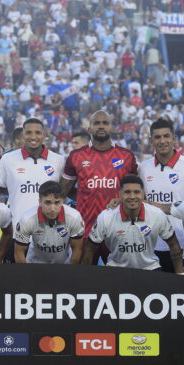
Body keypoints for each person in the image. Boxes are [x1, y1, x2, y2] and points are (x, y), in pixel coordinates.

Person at [60, 110, 138, 262]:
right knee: (84, 281)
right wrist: (84, 196)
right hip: (85, 230)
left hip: (118, 229)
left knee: (119, 280)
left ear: (112, 128)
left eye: (105, 123)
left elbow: (136, 192)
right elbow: (63, 190)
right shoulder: (76, 156)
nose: (101, 126)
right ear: (89, 129)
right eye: (96, 123)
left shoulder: (126, 156)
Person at [139, 118, 184, 273]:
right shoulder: (143, 168)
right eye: (157, 137)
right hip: (151, 246)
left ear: (174, 138)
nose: (162, 141)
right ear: (151, 140)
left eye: (166, 136)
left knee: (181, 294)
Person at [82, 175, 183, 272]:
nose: (132, 196)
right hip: (116, 269)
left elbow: (173, 244)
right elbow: (90, 248)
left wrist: (180, 274)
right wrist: (84, 276)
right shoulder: (105, 216)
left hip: (150, 269)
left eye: (136, 192)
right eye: (127, 192)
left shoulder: (157, 214)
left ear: (143, 193)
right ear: (120, 194)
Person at [0, 118, 65, 225]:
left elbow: (64, 190)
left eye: (37, 132)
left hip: (49, 230)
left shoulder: (59, 160)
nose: (33, 137)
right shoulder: (7, 159)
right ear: (23, 134)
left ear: (44, 134)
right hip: (18, 227)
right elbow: (0, 188)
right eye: (28, 132)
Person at [14, 181, 84, 264]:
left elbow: (77, 249)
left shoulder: (74, 217)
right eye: (48, 202)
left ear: (63, 201)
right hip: (35, 264)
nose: (52, 209)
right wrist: (25, 275)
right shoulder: (27, 219)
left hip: (64, 265)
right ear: (40, 202)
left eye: (57, 202)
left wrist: (70, 272)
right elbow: (18, 252)